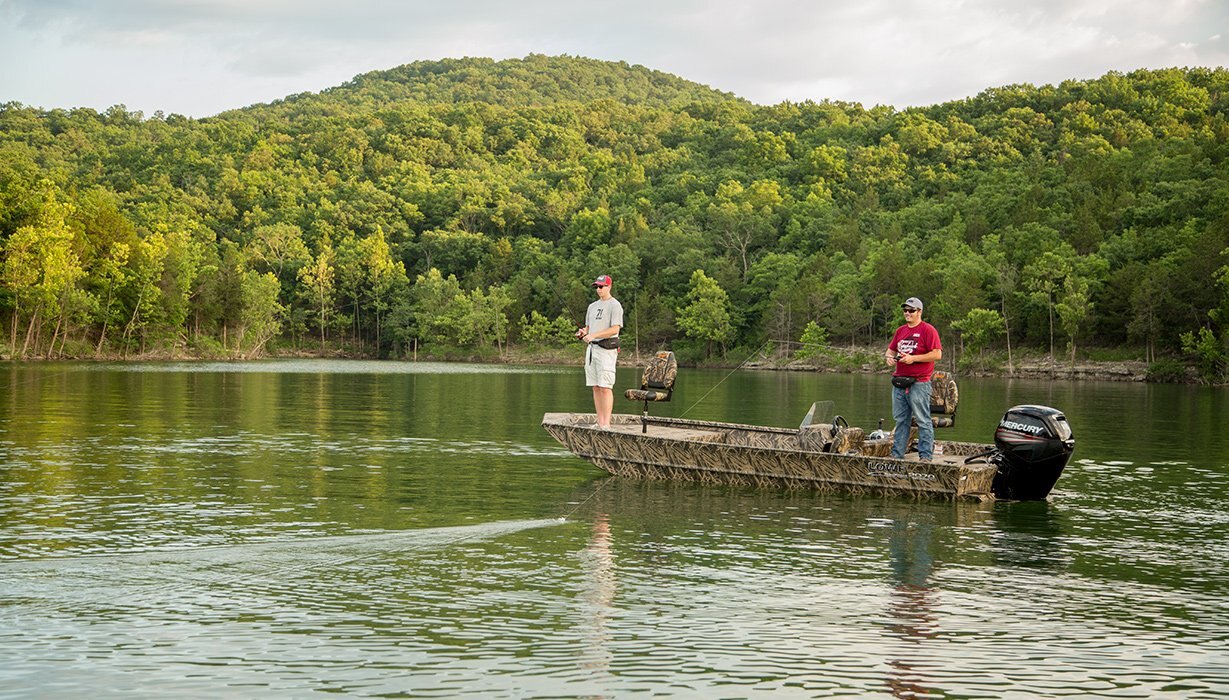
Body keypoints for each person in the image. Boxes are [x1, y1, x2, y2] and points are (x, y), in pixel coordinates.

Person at [885, 296, 943, 460]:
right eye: (905, 310)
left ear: (919, 312)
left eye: (911, 310)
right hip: (899, 382)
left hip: (919, 383)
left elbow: (937, 354)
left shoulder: (928, 330)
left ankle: (925, 456)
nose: (907, 313)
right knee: (901, 420)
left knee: (923, 420)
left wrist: (913, 359)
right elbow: (890, 350)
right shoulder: (900, 331)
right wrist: (889, 357)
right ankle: (897, 455)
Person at [578, 274, 623, 429]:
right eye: (597, 286)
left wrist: (594, 335)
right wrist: (583, 333)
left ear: (609, 286)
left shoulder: (615, 305)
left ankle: (606, 424)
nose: (599, 289)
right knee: (596, 386)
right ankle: (599, 422)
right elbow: (588, 328)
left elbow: (615, 329)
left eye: (601, 286)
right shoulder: (592, 306)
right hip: (592, 350)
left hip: (607, 350)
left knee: (605, 387)